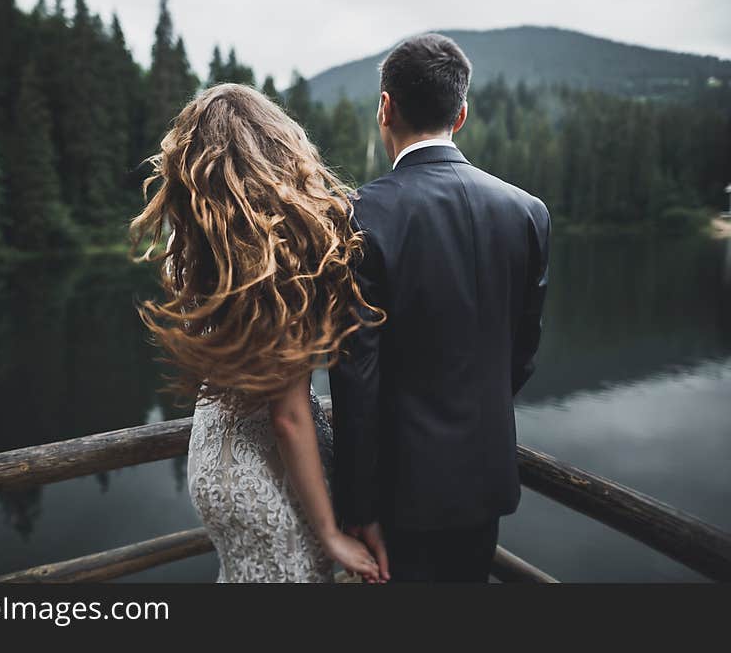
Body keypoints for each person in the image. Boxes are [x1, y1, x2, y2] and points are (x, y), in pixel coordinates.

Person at [130, 83, 386, 583]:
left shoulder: (197, 248)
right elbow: (288, 416)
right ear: (276, 151)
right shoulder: (277, 262)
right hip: (268, 468)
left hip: (210, 461)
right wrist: (331, 533)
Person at [330, 33, 551, 582]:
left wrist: (358, 509)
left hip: (400, 497)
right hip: (485, 482)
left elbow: (355, 377)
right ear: (462, 114)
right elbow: (523, 353)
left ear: (386, 107)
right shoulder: (527, 211)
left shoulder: (359, 215)